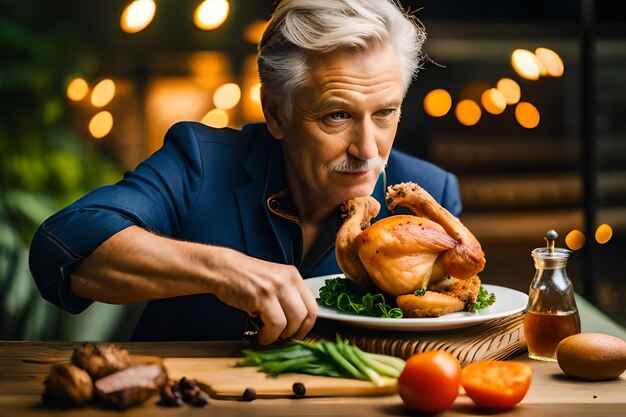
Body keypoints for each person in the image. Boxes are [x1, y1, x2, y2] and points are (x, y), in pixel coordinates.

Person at [29, 0, 462, 345]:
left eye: (385, 113)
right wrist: (221, 269)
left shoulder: (435, 193)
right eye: (336, 116)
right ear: (276, 112)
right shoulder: (201, 161)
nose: (368, 149)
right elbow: (63, 248)